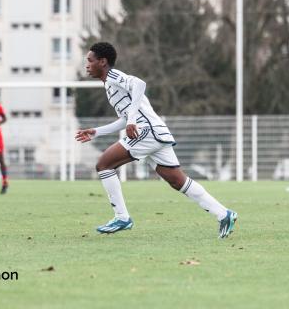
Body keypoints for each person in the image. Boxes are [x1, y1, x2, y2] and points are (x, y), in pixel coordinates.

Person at [75, 42, 237, 238]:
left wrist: (133, 119)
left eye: (90, 61)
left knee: (104, 165)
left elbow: (139, 84)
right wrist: (97, 132)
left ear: (102, 62)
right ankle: (224, 214)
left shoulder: (113, 75)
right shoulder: (109, 86)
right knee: (178, 181)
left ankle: (122, 217)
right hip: (156, 132)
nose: (87, 65)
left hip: (147, 131)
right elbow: (125, 119)